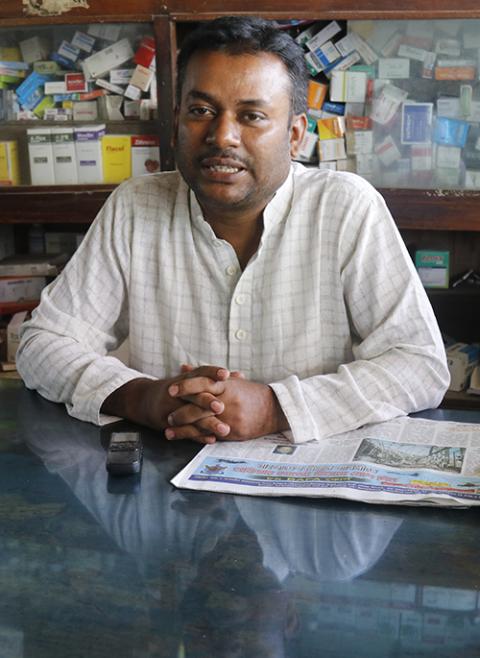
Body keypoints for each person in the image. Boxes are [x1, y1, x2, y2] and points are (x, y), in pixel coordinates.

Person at [17, 16, 449, 445]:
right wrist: (142, 398)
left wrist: (275, 408)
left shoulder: (346, 208)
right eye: (201, 111)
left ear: (295, 134)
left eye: (252, 116)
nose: (222, 136)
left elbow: (419, 364)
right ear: (177, 120)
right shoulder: (136, 206)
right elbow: (43, 344)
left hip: (307, 497)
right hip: (169, 483)